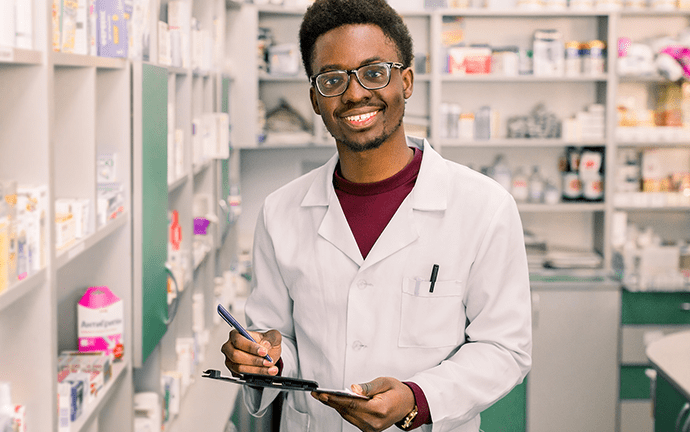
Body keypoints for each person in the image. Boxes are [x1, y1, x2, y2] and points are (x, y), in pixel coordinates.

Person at [221, 0, 532, 430]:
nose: (354, 93)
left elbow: (504, 348)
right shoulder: (281, 212)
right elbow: (280, 340)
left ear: (405, 81)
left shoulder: (484, 207)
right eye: (332, 79)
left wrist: (417, 399)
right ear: (314, 98)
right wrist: (263, 357)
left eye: (373, 72)